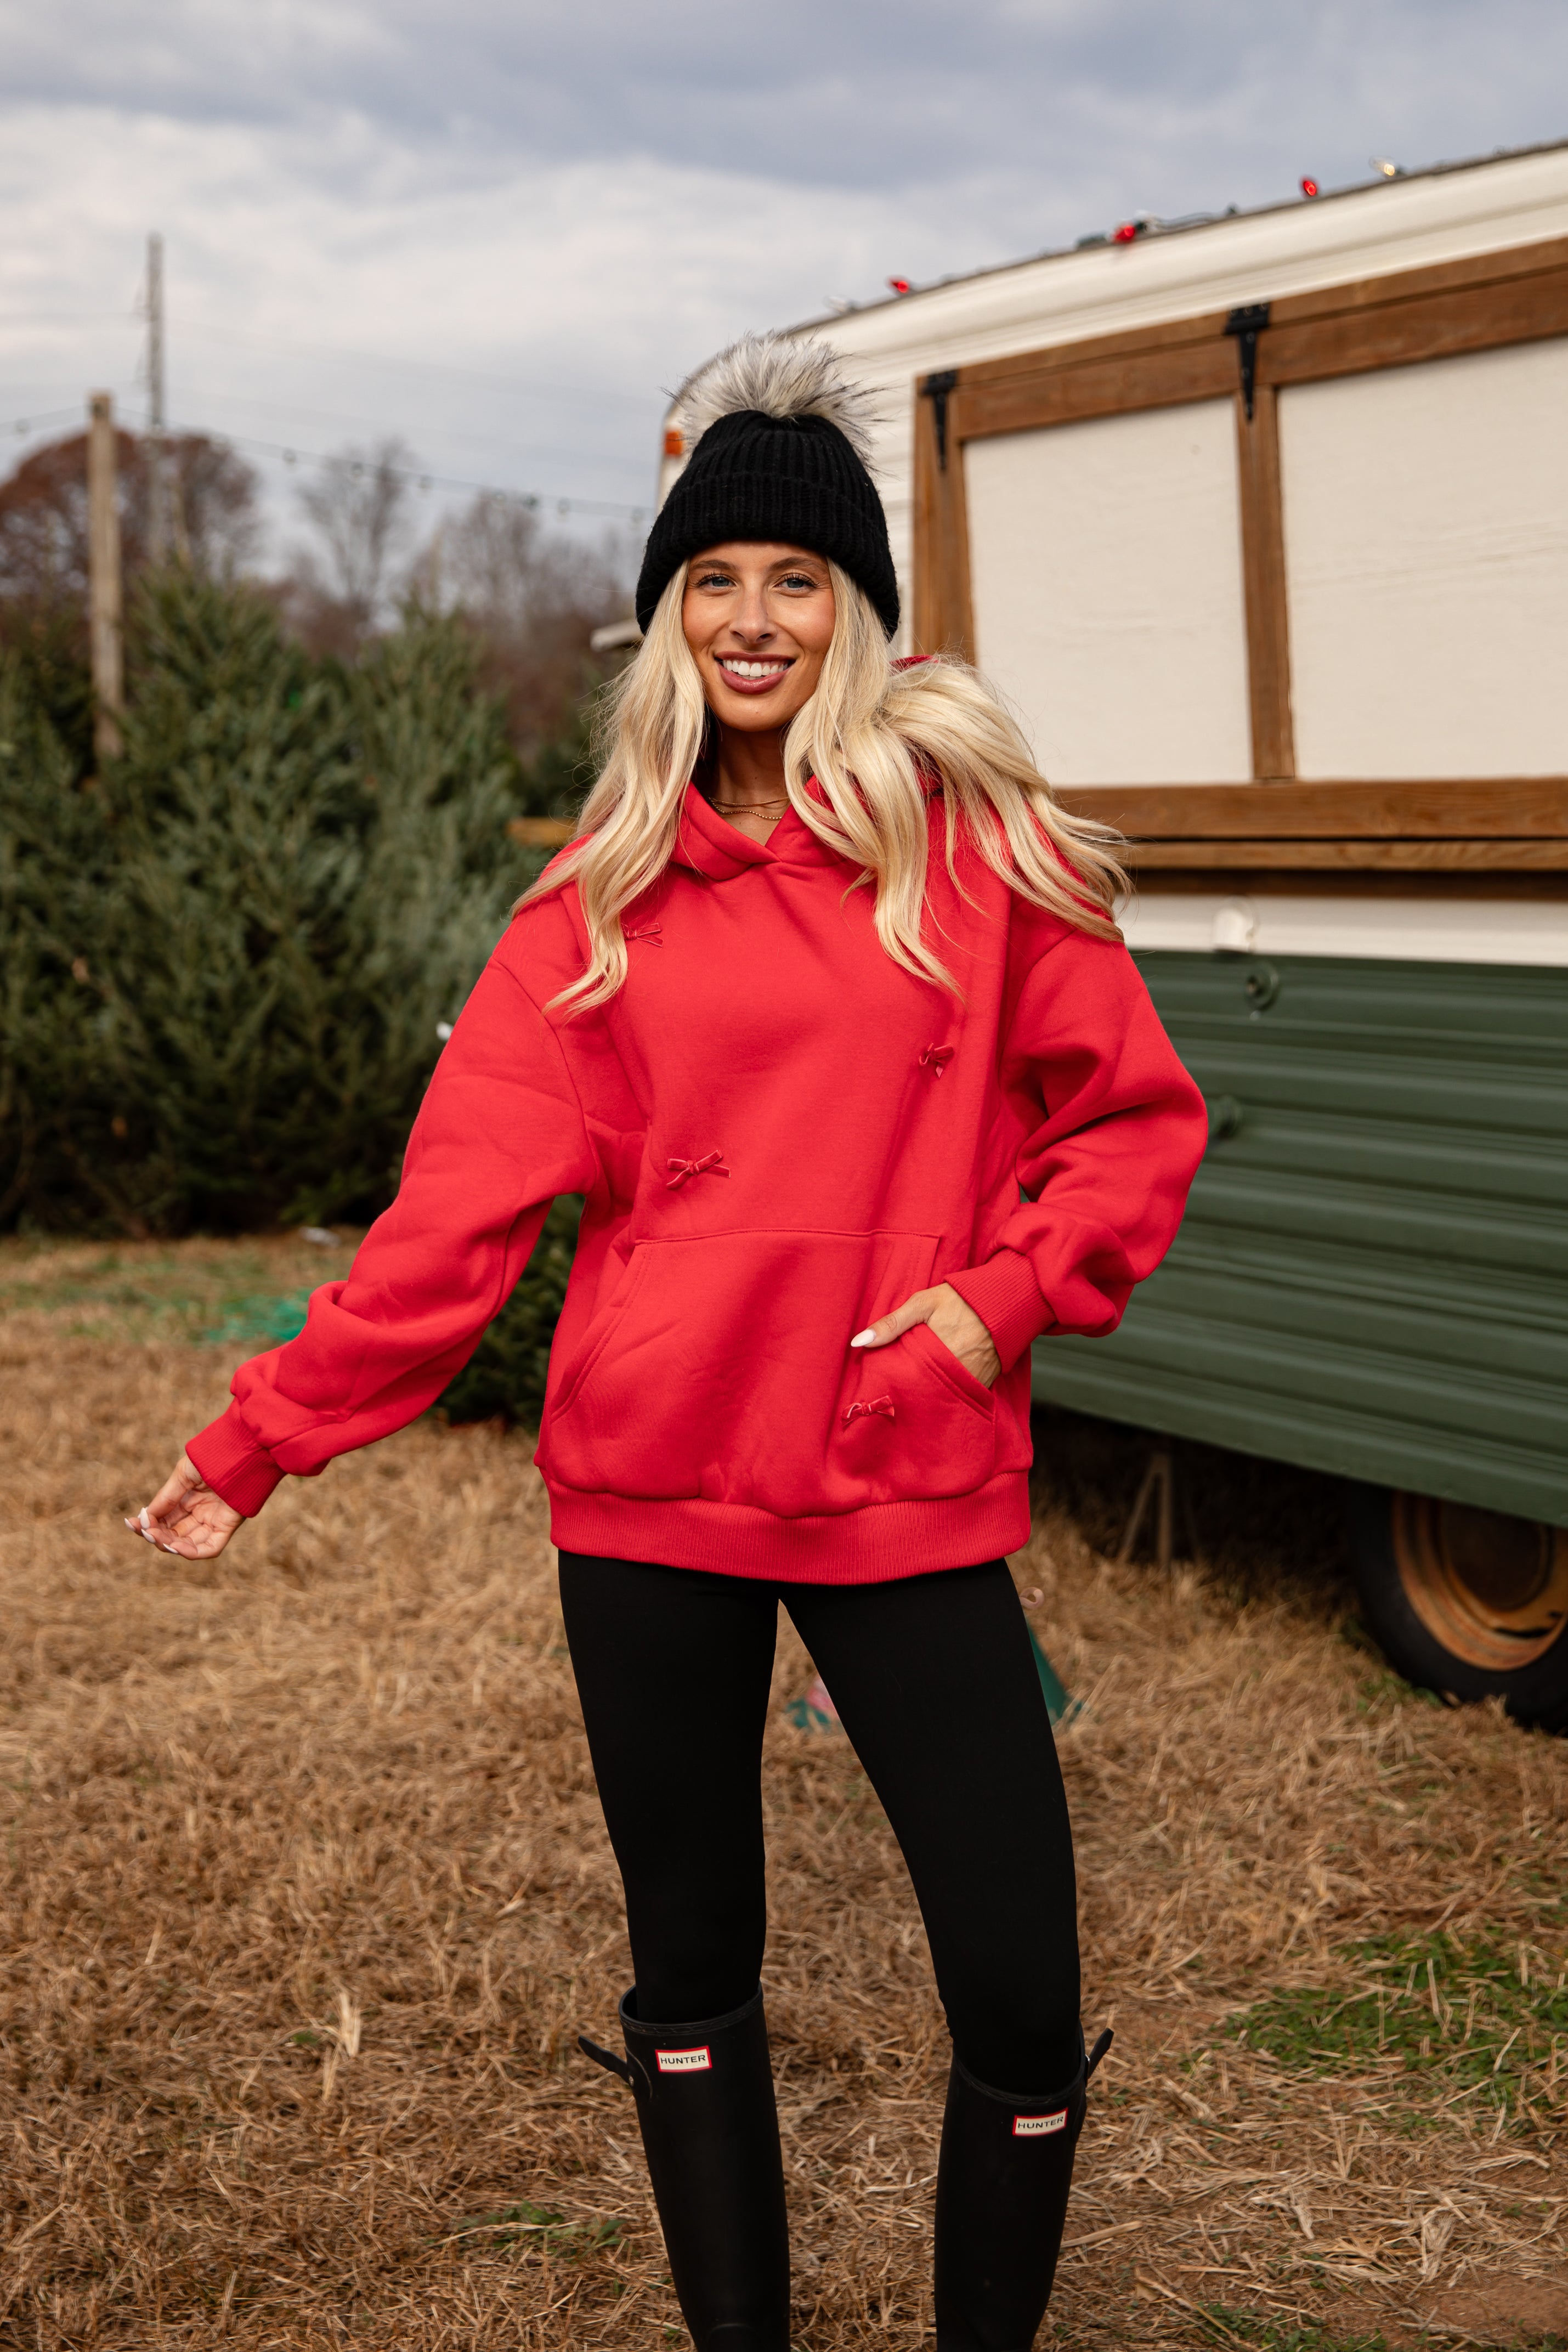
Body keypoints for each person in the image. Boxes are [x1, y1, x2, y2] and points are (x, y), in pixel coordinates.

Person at [132, 333, 1209, 2351]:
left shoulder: (976, 863)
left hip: (897, 1481)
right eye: (712, 579)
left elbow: (1133, 1129)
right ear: (662, 623)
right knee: (691, 1976)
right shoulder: (597, 907)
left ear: (862, 615)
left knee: (1024, 2002)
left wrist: (990, 1306)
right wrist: (263, 1434)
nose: (750, 617)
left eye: (795, 580)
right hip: (646, 1508)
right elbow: (447, 1231)